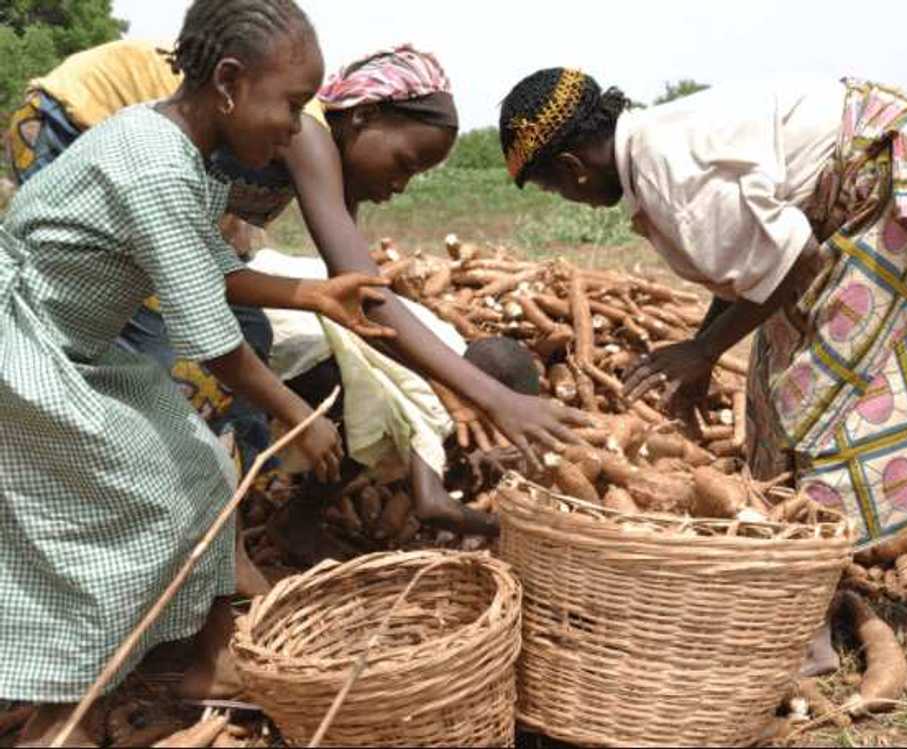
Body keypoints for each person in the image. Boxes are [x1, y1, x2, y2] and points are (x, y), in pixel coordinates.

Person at [498, 69, 907, 673]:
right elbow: (745, 262)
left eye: (551, 188)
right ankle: (784, 580)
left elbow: (795, 266)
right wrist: (703, 343)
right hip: (858, 190)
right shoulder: (653, 151)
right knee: (770, 387)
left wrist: (702, 353)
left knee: (814, 400)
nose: (564, 197)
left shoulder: (669, 173)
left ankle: (800, 629)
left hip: (897, 180)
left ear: (574, 166)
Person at [0, 2, 393, 743]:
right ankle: (58, 718)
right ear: (229, 82)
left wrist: (308, 292)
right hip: (25, 353)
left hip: (74, 348)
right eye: (292, 103)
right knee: (126, 507)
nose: (295, 126)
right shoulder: (151, 160)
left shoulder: (176, 151)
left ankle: (213, 658)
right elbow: (214, 340)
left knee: (202, 465)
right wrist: (297, 417)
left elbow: (205, 267)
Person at [8, 40, 587, 487]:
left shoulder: (321, 163)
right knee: (151, 353)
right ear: (362, 117)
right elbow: (371, 300)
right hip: (71, 123)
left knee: (247, 337)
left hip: (140, 175)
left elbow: (355, 304)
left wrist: (439, 394)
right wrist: (496, 398)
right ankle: (108, 495)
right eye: (407, 161)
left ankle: (220, 518)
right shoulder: (304, 132)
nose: (404, 185)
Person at [246, 249, 539, 563]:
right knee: (368, 422)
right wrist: (502, 527)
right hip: (278, 335)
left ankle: (295, 516)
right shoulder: (439, 403)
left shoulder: (445, 341)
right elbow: (431, 505)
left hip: (264, 282)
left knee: (371, 402)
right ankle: (296, 523)